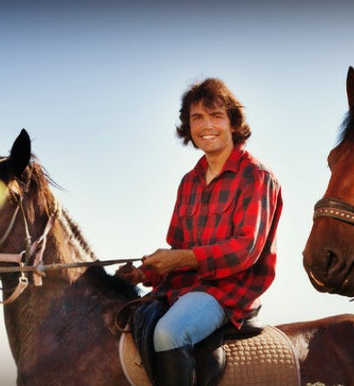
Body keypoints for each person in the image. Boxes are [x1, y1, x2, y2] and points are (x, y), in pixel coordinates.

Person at [117, 78, 283, 386]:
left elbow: (246, 249)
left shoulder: (257, 175)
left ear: (233, 123)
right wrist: (143, 274)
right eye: (197, 117)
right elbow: (177, 249)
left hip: (229, 292)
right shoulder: (188, 182)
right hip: (184, 288)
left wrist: (180, 258)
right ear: (188, 126)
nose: (206, 125)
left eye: (216, 116)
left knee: (170, 332)